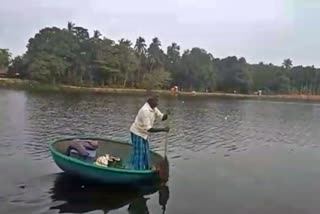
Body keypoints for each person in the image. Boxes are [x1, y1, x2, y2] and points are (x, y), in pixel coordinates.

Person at [129, 95, 169, 170]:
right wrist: (163, 129)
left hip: (144, 134)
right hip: (137, 133)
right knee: (139, 153)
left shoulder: (153, 108)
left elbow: (162, 117)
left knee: (146, 152)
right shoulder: (145, 110)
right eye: (156, 101)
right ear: (150, 101)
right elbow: (149, 129)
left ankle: (145, 168)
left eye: (157, 101)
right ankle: (138, 170)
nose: (157, 103)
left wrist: (167, 114)